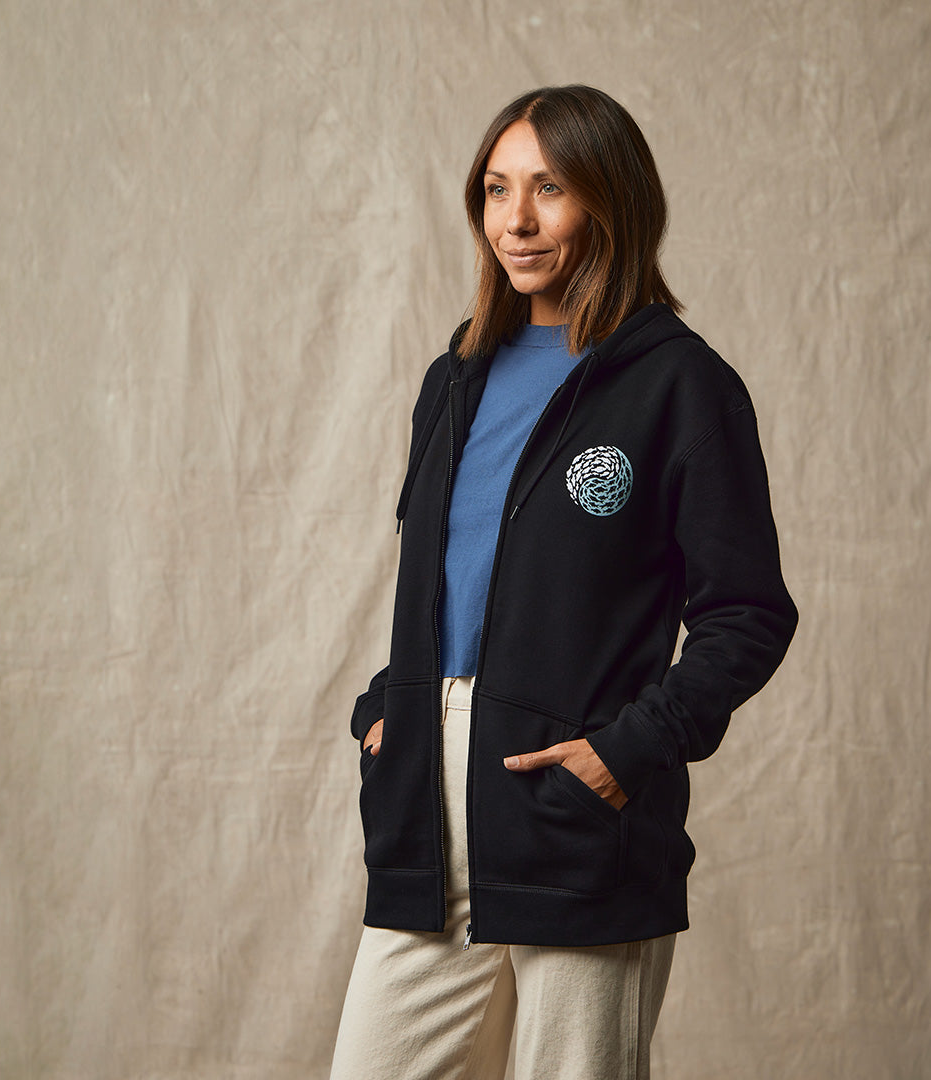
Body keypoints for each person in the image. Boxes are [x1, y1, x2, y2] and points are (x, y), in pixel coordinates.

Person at [329, 84, 797, 1080]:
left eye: (550, 188)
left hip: (576, 821)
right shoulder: (454, 379)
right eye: (497, 189)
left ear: (610, 200)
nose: (518, 220)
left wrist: (630, 749)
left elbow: (748, 612)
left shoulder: (680, 385)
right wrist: (389, 711)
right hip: (426, 815)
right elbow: (446, 589)